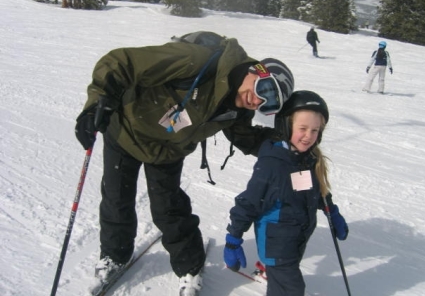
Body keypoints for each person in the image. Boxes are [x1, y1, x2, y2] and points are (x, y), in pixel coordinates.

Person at [74, 31, 295, 296]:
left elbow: (245, 138)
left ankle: (190, 265)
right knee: (116, 197)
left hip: (168, 148)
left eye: (268, 103)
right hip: (125, 130)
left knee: (168, 208)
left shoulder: (239, 108)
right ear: (255, 70)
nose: (257, 100)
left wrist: (288, 144)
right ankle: (115, 255)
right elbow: (120, 61)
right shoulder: (196, 60)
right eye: (264, 89)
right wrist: (96, 104)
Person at [223, 90, 349, 296]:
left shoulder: (307, 159)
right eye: (303, 128)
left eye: (315, 130)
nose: (309, 136)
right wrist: (233, 240)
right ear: (286, 126)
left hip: (296, 239)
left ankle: (271, 275)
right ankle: (273, 273)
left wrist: (332, 211)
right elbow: (248, 203)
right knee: (292, 290)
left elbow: (316, 191)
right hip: (277, 246)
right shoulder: (273, 165)